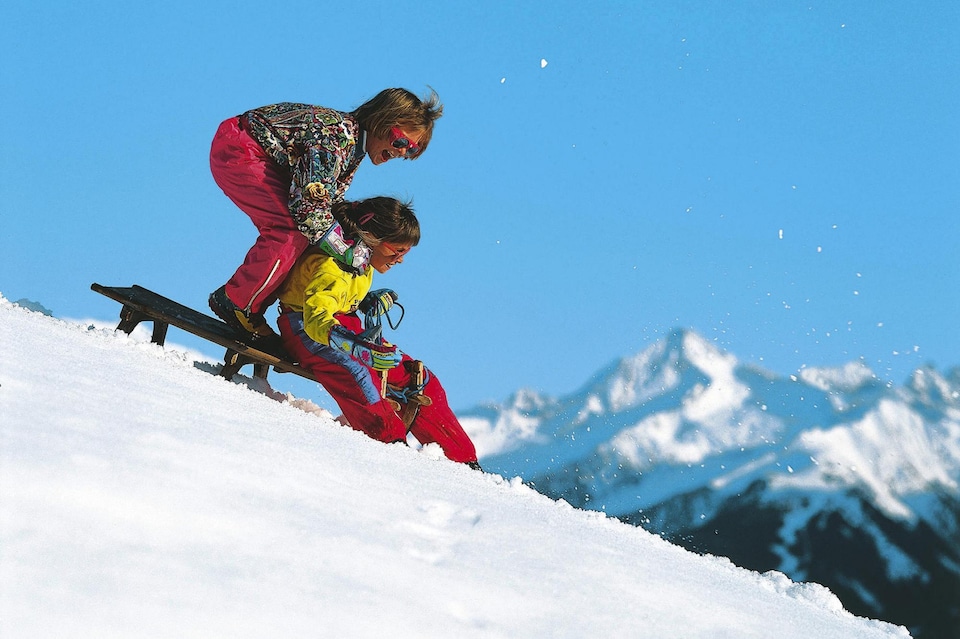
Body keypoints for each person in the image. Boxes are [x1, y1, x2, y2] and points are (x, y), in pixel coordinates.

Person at [208, 88, 443, 339]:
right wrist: (346, 249)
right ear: (380, 120)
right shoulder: (333, 140)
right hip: (240, 149)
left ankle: (272, 304)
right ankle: (237, 302)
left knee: (312, 232)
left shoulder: (353, 147)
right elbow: (308, 211)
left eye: (412, 150)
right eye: (400, 141)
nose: (402, 152)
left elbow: (327, 205)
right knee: (292, 229)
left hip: (254, 151)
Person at [275, 197, 479, 468]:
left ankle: (463, 461)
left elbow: (341, 296)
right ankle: (391, 448)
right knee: (360, 375)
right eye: (396, 251)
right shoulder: (332, 265)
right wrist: (353, 346)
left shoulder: (360, 262)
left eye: (404, 253)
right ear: (372, 238)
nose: (400, 260)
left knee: (421, 379)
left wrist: (365, 300)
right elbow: (316, 318)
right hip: (308, 333)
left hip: (348, 328)